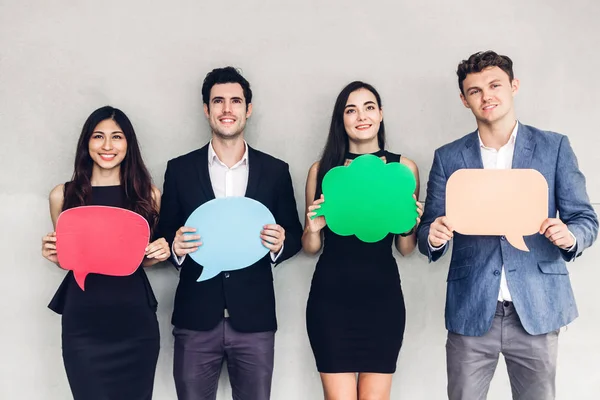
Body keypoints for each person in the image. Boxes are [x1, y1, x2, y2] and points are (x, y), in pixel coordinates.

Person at [416, 50, 599, 400]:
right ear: (464, 99)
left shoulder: (554, 147)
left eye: (495, 85)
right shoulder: (448, 157)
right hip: (471, 308)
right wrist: (434, 237)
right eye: (475, 91)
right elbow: (427, 231)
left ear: (513, 86)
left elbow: (585, 218)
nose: (487, 96)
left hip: (537, 306)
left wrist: (571, 235)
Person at [156, 66, 303, 400]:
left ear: (248, 110)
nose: (227, 109)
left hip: (254, 318)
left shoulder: (275, 171)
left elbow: (294, 233)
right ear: (206, 110)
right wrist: (175, 247)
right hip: (195, 317)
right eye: (218, 101)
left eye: (235, 101)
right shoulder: (179, 169)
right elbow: (164, 233)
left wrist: (280, 244)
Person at [302, 81, 423, 400]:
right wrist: (313, 229)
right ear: (341, 119)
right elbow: (310, 248)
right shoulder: (323, 170)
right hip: (330, 301)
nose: (361, 116)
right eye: (351, 109)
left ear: (380, 114)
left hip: (382, 300)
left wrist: (410, 225)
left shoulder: (403, 168)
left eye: (369, 107)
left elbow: (406, 248)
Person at [41, 105, 170, 400]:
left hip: (135, 321)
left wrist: (159, 252)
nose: (108, 146)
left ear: (129, 144)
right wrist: (56, 255)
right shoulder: (62, 195)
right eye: (99, 136)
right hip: (83, 321)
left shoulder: (149, 195)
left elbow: (139, 260)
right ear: (87, 143)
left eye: (117, 137)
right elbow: (74, 258)